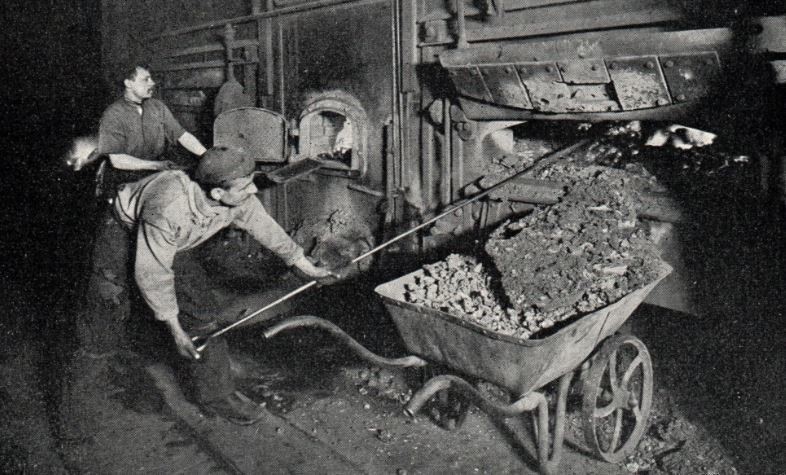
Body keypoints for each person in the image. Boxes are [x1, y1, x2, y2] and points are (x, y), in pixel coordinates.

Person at [77, 145, 336, 424]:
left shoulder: (237, 197)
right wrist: (176, 332)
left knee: (201, 311)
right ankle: (96, 367)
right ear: (217, 193)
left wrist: (308, 268)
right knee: (109, 301)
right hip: (121, 229)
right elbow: (152, 273)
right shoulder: (168, 206)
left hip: (177, 240)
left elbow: (267, 229)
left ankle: (217, 394)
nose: (252, 190)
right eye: (245, 186)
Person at [96, 62, 207, 196]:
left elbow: (182, 135)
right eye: (146, 79)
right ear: (128, 83)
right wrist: (156, 165)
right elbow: (117, 160)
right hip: (125, 180)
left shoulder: (157, 107)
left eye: (151, 79)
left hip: (154, 174)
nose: (152, 83)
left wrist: (207, 156)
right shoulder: (113, 114)